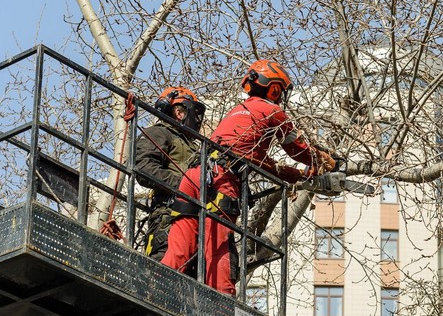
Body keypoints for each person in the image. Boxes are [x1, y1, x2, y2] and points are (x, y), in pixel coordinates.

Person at [161, 59, 335, 295]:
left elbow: (260, 162)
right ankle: (222, 305)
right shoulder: (272, 111)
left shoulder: (235, 112)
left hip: (193, 175)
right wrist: (324, 161)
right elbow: (297, 148)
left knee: (179, 249)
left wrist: (298, 175)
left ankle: (157, 287)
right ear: (274, 88)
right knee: (217, 246)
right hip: (221, 180)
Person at [134, 86, 205, 261]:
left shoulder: (195, 147)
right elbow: (144, 168)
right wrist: (185, 185)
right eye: (193, 112)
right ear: (179, 112)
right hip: (169, 216)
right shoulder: (159, 132)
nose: (197, 119)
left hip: (195, 218)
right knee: (165, 270)